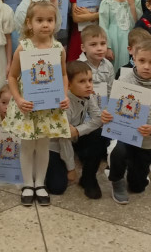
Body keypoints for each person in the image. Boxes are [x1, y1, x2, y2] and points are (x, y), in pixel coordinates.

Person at [2, 0, 71, 206]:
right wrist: (18, 99)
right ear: (29, 23)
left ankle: (39, 183)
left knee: (43, 145)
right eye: (39, 20)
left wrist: (64, 95)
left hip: (49, 107)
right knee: (27, 146)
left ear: (55, 23)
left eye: (50, 20)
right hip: (28, 105)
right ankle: (27, 184)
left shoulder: (58, 48)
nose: (45, 25)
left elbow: (63, 75)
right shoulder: (23, 47)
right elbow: (12, 77)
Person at [101, 38, 151, 204]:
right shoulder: (123, 81)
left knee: (137, 187)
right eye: (142, 61)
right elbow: (111, 107)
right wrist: (105, 115)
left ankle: (139, 172)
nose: (146, 66)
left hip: (146, 142)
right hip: (122, 136)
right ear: (134, 59)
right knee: (118, 151)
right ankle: (116, 179)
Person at [45, 61, 106, 199]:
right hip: (56, 145)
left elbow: (98, 119)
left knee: (99, 135)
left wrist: (77, 130)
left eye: (90, 80)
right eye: (82, 81)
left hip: (74, 137)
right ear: (68, 84)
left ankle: (88, 178)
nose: (88, 85)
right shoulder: (63, 104)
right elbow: (63, 140)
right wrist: (71, 168)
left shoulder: (88, 94)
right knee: (57, 188)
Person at [99, 0, 143, 70]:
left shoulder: (137, 0)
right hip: (114, 41)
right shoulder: (107, 3)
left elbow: (138, 23)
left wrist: (132, 5)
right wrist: (107, 47)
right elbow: (103, 26)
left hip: (132, 39)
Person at [77, 25, 115, 102]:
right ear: (83, 48)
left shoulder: (108, 65)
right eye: (93, 44)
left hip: (104, 106)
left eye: (103, 43)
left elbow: (111, 91)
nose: (99, 48)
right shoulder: (77, 66)